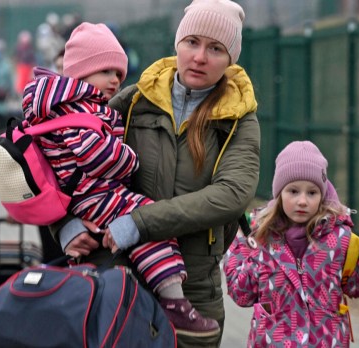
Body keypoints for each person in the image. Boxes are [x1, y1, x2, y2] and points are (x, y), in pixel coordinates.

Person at [57, 1, 259, 346]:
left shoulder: (239, 118)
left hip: (193, 288)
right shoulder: (134, 101)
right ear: (177, 44)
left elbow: (231, 195)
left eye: (216, 49)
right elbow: (60, 157)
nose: (199, 57)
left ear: (230, 59)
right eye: (192, 42)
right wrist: (64, 226)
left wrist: (140, 222)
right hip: (117, 276)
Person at [23, 22, 220, 337]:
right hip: (94, 195)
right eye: (106, 72)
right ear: (82, 73)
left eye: (119, 72)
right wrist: (130, 159)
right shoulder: (75, 110)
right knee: (149, 223)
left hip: (87, 195)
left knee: (141, 227)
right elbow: (95, 155)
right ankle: (173, 301)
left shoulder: (63, 106)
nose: (115, 80)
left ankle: (161, 297)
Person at [224, 141, 359, 346]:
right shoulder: (260, 237)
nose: (302, 201)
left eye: (311, 192)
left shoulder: (339, 238)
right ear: (279, 194)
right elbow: (242, 295)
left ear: (322, 195)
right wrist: (240, 244)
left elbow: (358, 286)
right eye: (293, 191)